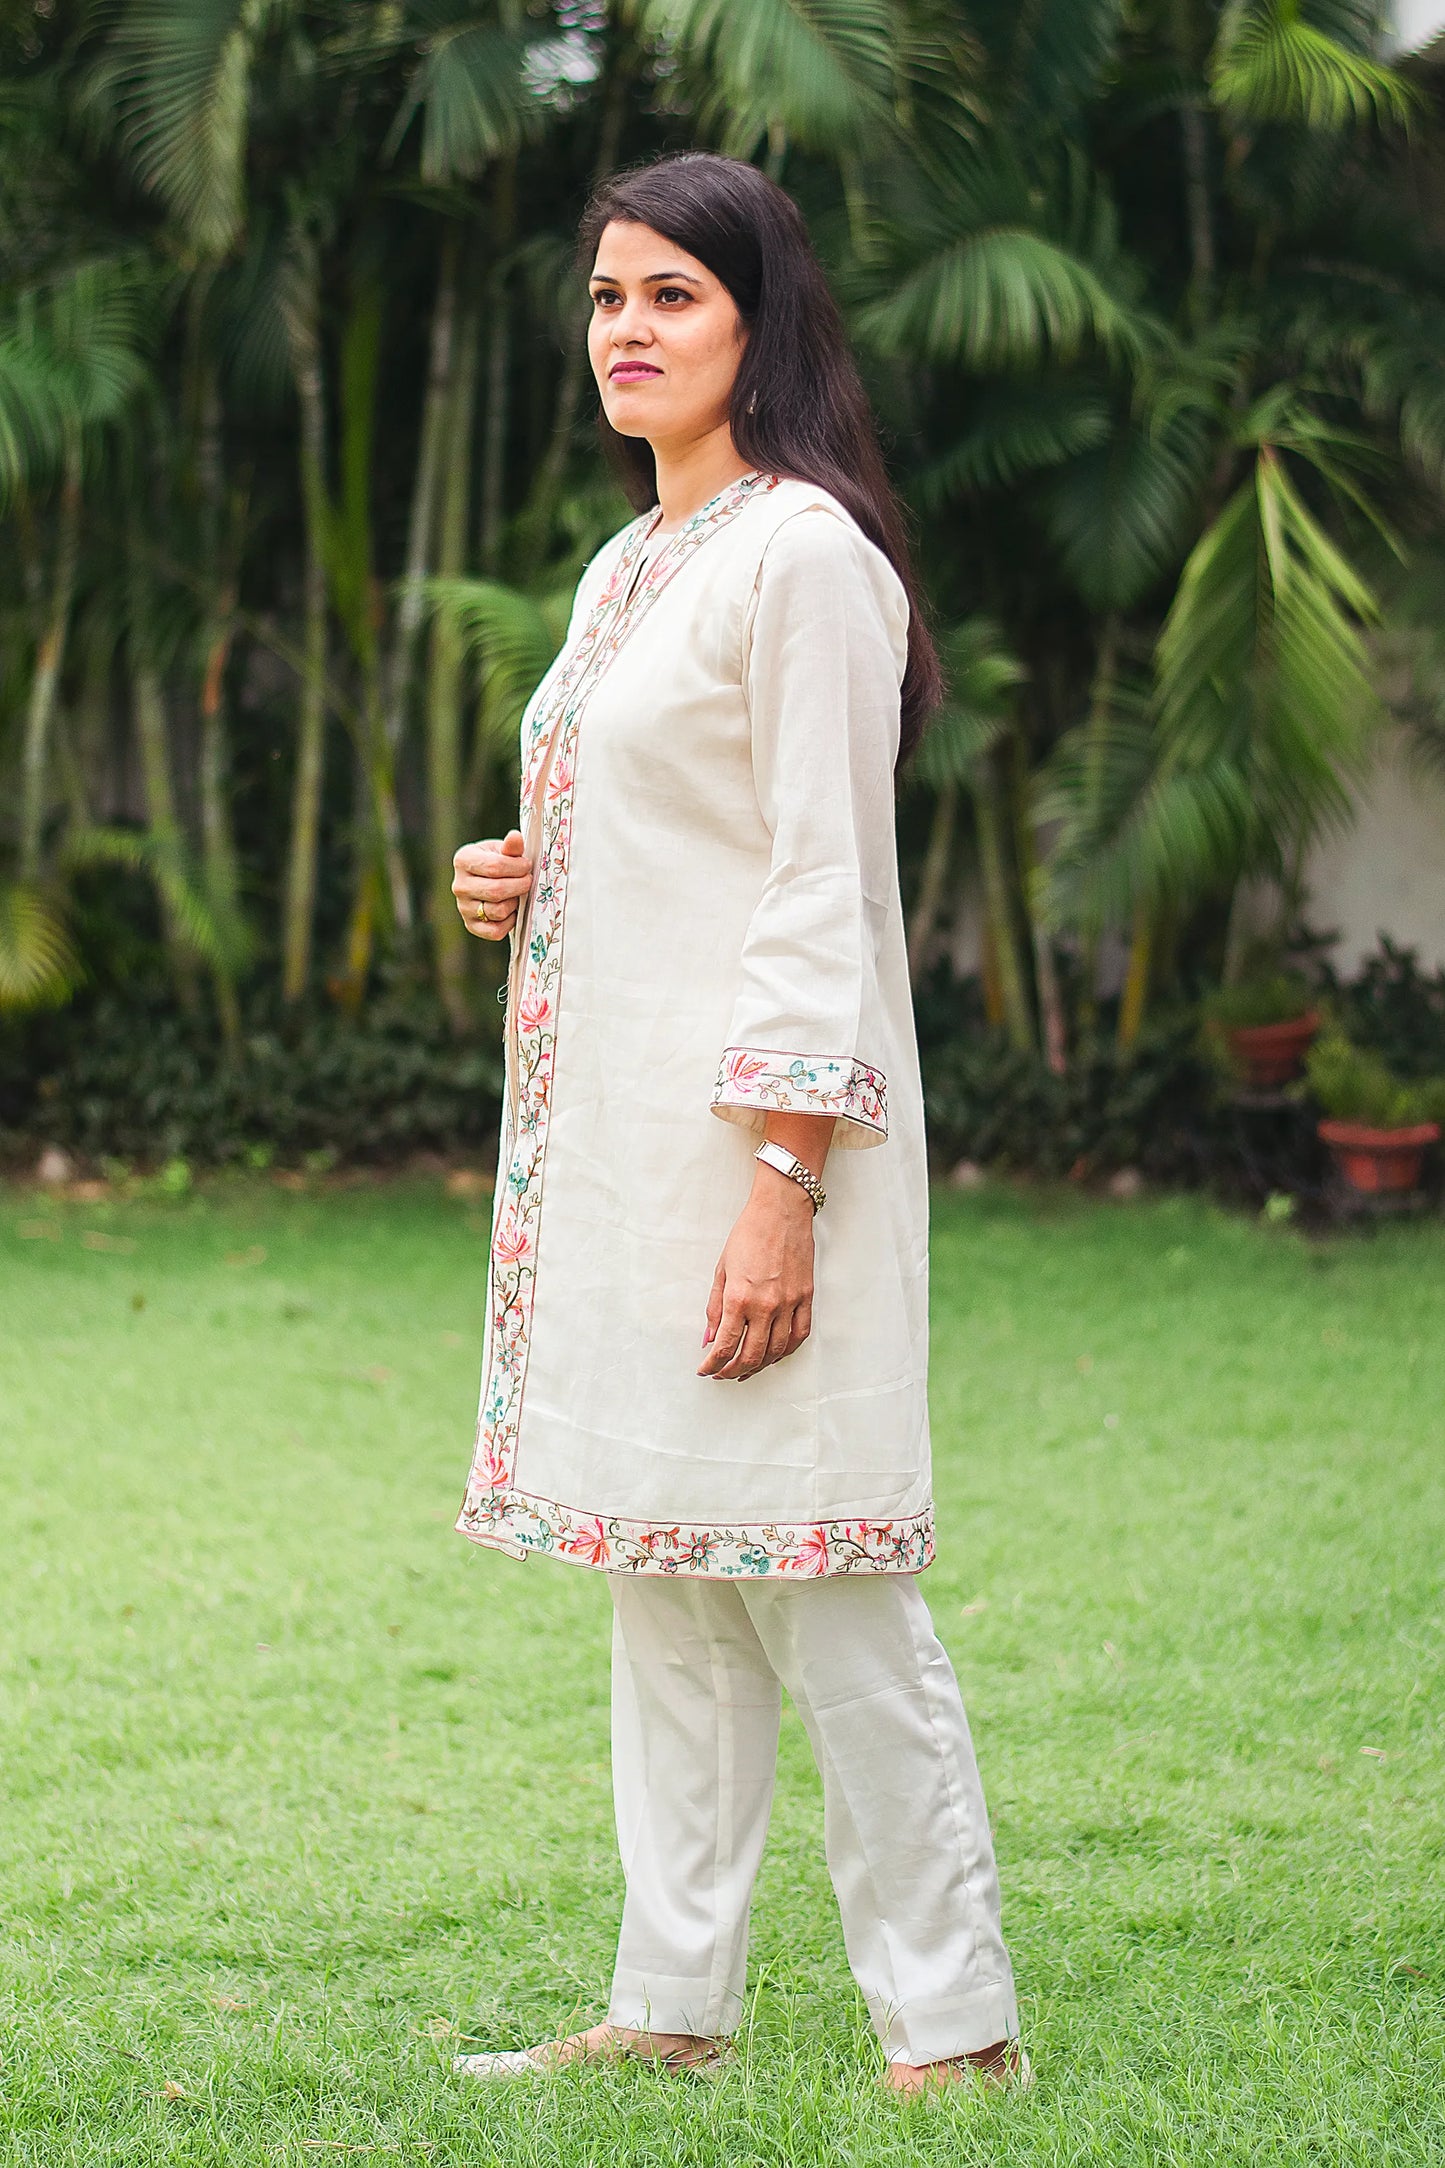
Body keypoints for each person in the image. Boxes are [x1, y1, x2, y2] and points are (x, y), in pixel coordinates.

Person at [447, 151, 1027, 2098]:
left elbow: (821, 893)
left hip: (774, 1153)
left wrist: (786, 1185)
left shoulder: (807, 557)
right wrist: (527, 870)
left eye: (671, 296)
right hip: (626, 1159)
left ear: (758, 319)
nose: (627, 329)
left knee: (824, 1586)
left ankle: (955, 2035)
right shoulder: (633, 564)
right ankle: (666, 2005)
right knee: (672, 1587)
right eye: (607, 297)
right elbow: (681, 828)